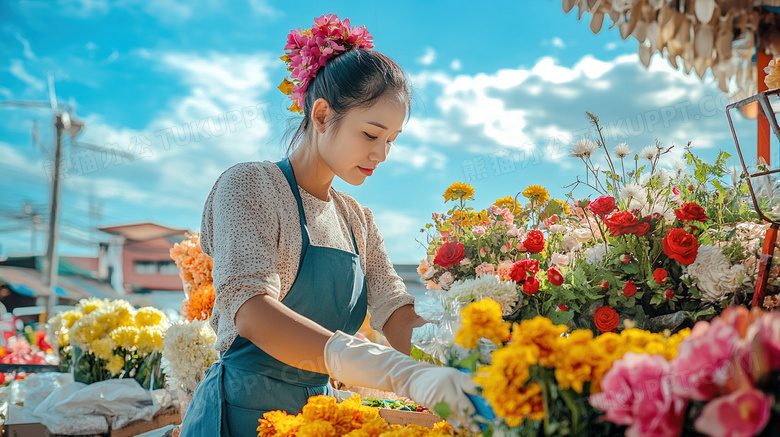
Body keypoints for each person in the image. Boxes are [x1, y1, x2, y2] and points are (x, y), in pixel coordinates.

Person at [180, 14, 475, 437]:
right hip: (242, 414)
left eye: (391, 140)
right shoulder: (249, 186)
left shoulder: (356, 218)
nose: (382, 154)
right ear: (321, 115)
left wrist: (464, 354)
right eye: (371, 134)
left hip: (319, 419)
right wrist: (395, 371)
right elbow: (251, 311)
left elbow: (395, 310)